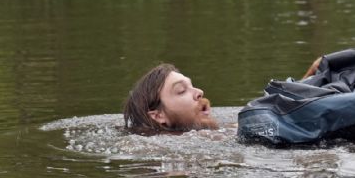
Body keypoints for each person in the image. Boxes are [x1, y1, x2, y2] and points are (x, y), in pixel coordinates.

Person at [123, 59, 323, 134]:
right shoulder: (172, 148)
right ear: (158, 116)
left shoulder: (218, 132)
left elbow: (271, 114)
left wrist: (308, 78)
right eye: (181, 90)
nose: (199, 92)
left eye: (192, 86)